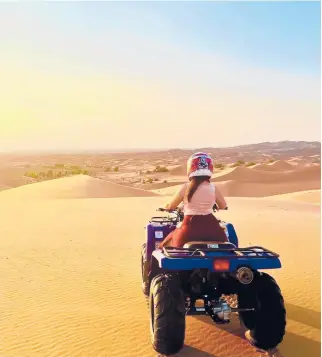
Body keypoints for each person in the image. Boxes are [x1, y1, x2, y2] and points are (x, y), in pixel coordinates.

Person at [159, 152, 228, 249]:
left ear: (190, 167)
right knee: (227, 246)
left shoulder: (185, 187)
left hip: (189, 230)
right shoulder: (214, 188)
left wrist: (166, 207)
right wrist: (212, 205)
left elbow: (171, 206)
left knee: (163, 247)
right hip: (212, 230)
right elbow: (223, 206)